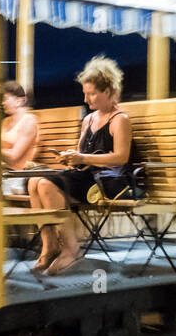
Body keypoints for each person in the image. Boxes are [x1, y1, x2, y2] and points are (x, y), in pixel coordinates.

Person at [27, 56, 140, 276]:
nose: (86, 99)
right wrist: (70, 157)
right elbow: (81, 155)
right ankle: (50, 246)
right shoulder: (88, 120)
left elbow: (121, 157)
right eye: (85, 93)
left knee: (47, 185)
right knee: (34, 182)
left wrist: (82, 159)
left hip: (108, 182)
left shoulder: (120, 120)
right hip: (87, 177)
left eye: (91, 94)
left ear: (108, 91)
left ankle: (71, 249)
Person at [0, 81, 40, 197]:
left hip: (17, 177)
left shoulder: (29, 121)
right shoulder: (5, 122)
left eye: (5, 99)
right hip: (3, 173)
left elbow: (14, 157)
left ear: (20, 100)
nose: (2, 103)